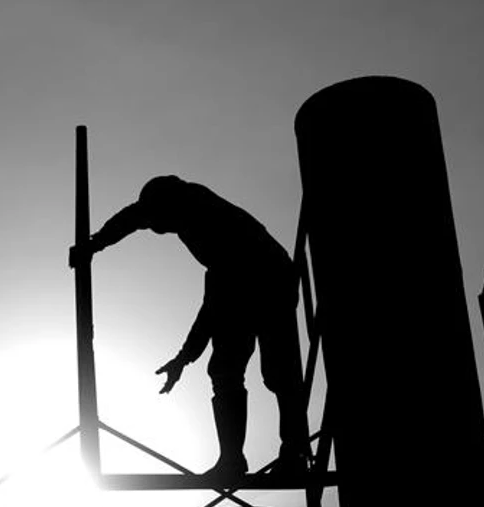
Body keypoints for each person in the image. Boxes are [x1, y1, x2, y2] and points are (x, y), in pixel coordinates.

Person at [69, 175, 308, 481]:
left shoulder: (209, 220)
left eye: (159, 223)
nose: (159, 229)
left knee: (277, 371)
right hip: (241, 282)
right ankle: (234, 458)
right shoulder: (178, 207)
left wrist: (184, 357)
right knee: (225, 370)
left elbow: (213, 308)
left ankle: (293, 452)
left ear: (169, 208)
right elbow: (131, 218)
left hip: (270, 280)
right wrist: (95, 243)